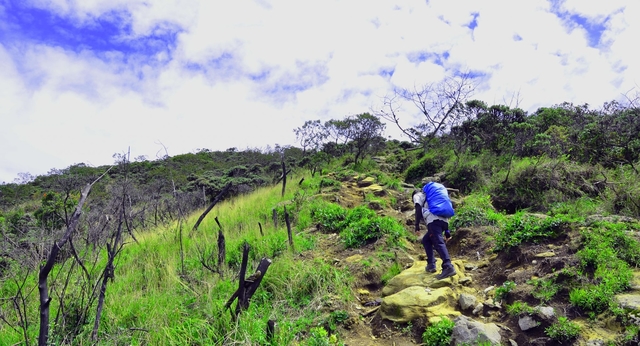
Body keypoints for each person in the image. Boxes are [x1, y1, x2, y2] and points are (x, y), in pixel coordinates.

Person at [414, 186, 456, 280]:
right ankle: (431, 264)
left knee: (438, 242)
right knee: (426, 240)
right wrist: (447, 232)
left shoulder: (418, 195)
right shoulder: (433, 198)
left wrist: (416, 225)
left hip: (433, 221)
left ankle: (448, 266)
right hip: (444, 221)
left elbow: (417, 208)